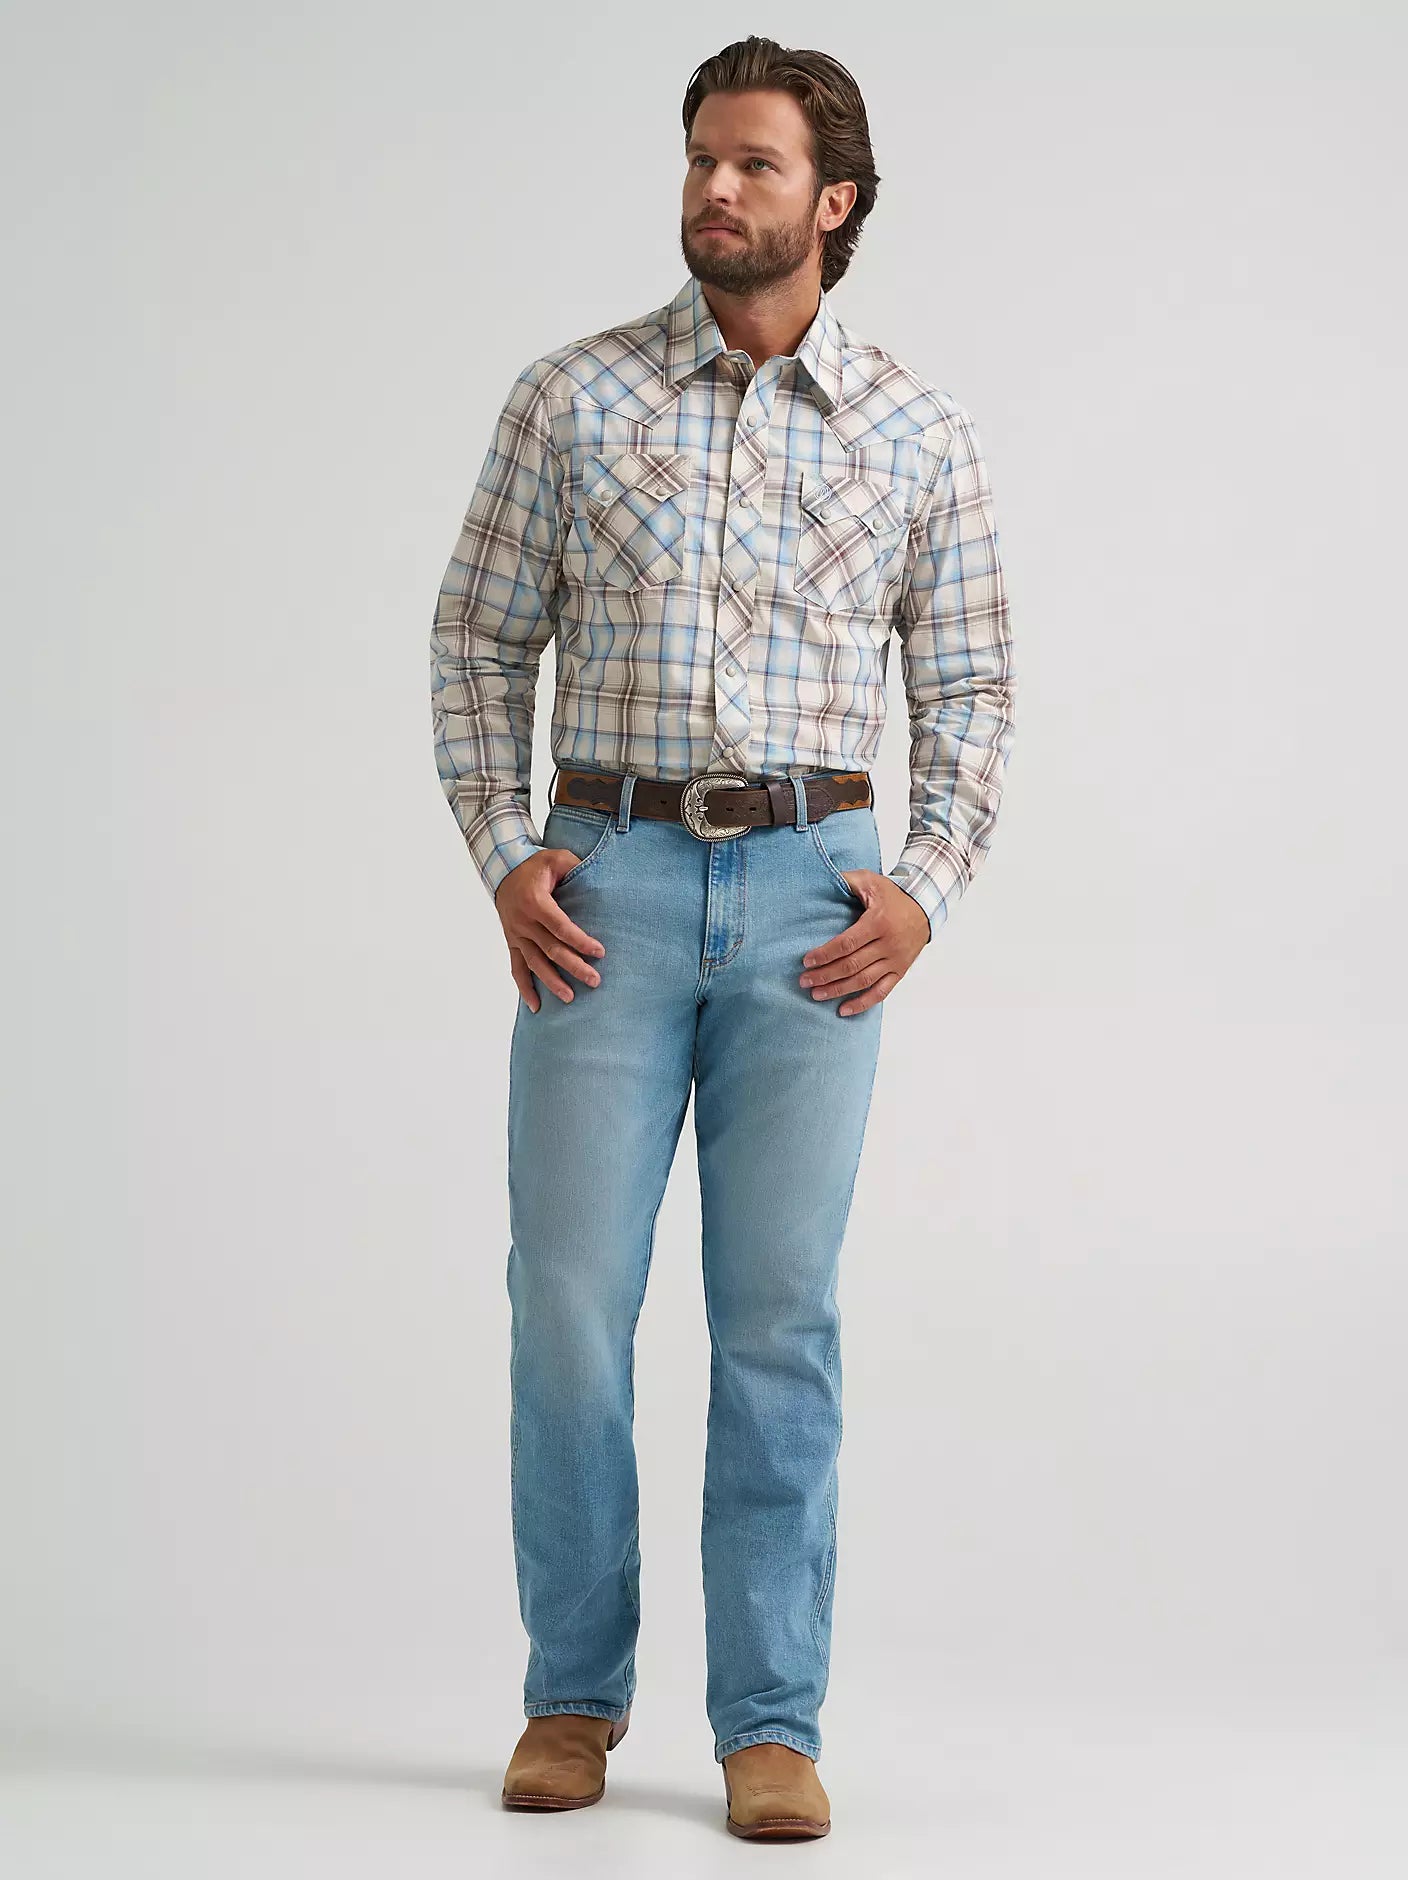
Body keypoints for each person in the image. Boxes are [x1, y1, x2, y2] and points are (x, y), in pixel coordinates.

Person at [429, 33, 1016, 1843]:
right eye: (700, 156)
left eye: (753, 163)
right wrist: (507, 854)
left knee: (778, 1320)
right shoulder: (572, 399)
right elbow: (476, 644)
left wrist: (924, 884)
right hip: (601, 888)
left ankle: (771, 1722)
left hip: (814, 905)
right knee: (566, 1306)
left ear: (834, 201)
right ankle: (572, 1697)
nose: (713, 188)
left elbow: (973, 689)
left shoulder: (916, 429)